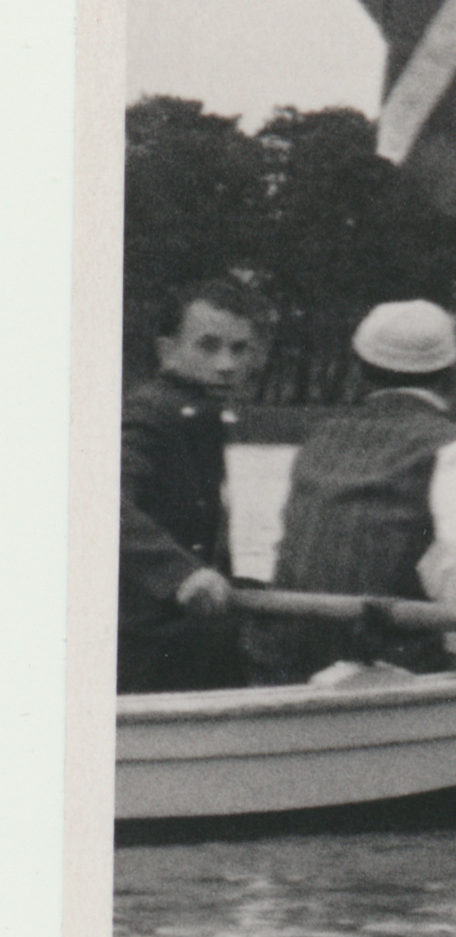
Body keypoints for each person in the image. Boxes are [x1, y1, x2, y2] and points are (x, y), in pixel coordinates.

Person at [241, 301, 456, 698]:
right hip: (397, 666)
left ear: (359, 370)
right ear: (453, 375)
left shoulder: (319, 439)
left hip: (286, 663)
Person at [119, 280, 264, 693]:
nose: (227, 364)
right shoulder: (149, 414)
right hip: (143, 648)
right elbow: (96, 499)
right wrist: (181, 574)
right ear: (167, 350)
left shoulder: (199, 413)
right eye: (208, 346)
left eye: (239, 349)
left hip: (187, 641)